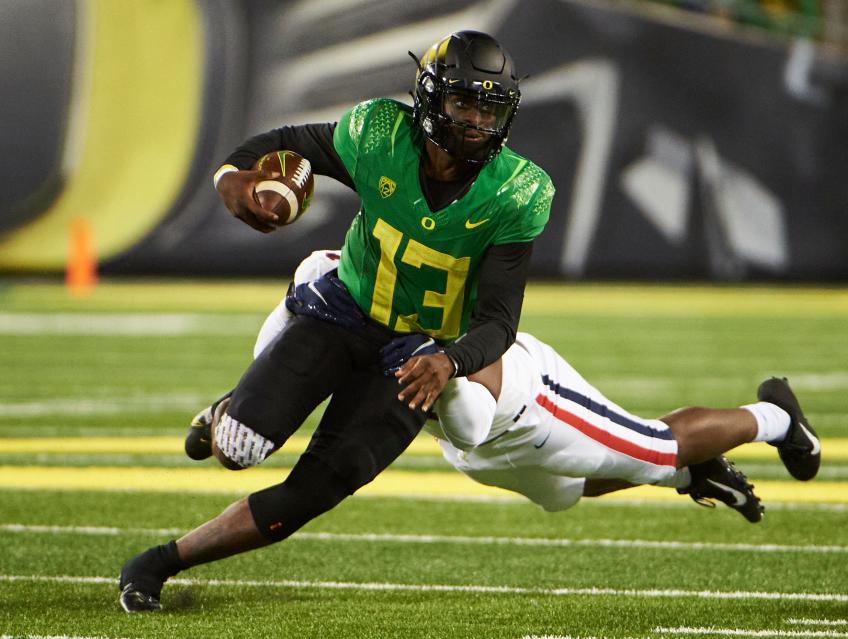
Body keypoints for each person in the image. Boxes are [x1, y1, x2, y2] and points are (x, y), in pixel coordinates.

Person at [118, 30, 554, 613]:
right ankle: (235, 397)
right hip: (345, 311)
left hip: (418, 351)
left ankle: (159, 562)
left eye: (489, 108)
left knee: (320, 487)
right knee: (237, 447)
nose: (476, 121)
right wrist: (233, 183)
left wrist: (449, 361)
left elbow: (500, 321)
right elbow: (279, 143)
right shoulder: (379, 135)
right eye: (462, 103)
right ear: (429, 100)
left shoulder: (517, 192)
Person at [192, 250, 821, 524]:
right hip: (466, 440)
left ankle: (775, 418)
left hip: (519, 395)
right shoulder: (330, 283)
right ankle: (693, 477)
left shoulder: (427, 281)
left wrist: (438, 366)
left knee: (652, 445)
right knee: (561, 494)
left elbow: (473, 392)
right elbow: (289, 360)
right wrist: (235, 407)